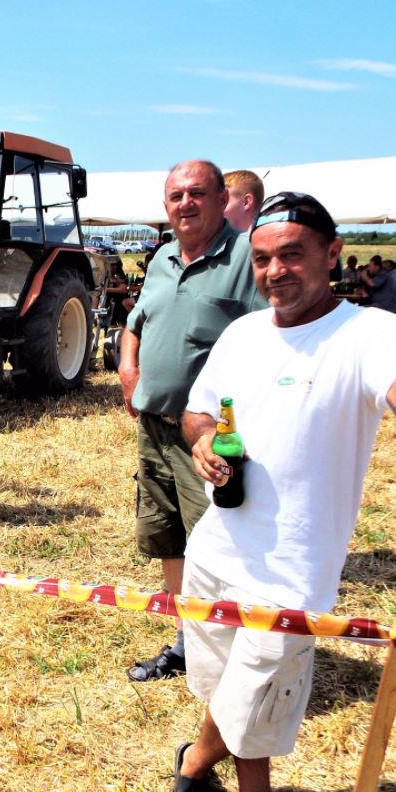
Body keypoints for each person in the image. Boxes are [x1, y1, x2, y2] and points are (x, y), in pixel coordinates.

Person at [165, 191, 396, 792]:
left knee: (256, 694)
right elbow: (197, 412)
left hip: (291, 567)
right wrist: (203, 441)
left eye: (292, 255)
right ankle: (195, 761)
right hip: (216, 546)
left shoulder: (369, 333)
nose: (275, 271)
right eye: (262, 259)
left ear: (332, 254)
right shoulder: (244, 334)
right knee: (221, 681)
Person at [117, 161, 266, 682]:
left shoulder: (247, 257)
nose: (186, 203)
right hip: (154, 427)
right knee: (169, 538)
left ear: (223, 199)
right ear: (165, 206)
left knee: (217, 542)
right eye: (176, 196)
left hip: (207, 437)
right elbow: (135, 323)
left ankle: (228, 650)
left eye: (197, 193)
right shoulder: (161, 258)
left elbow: (272, 339)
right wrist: (128, 368)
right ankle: (187, 641)